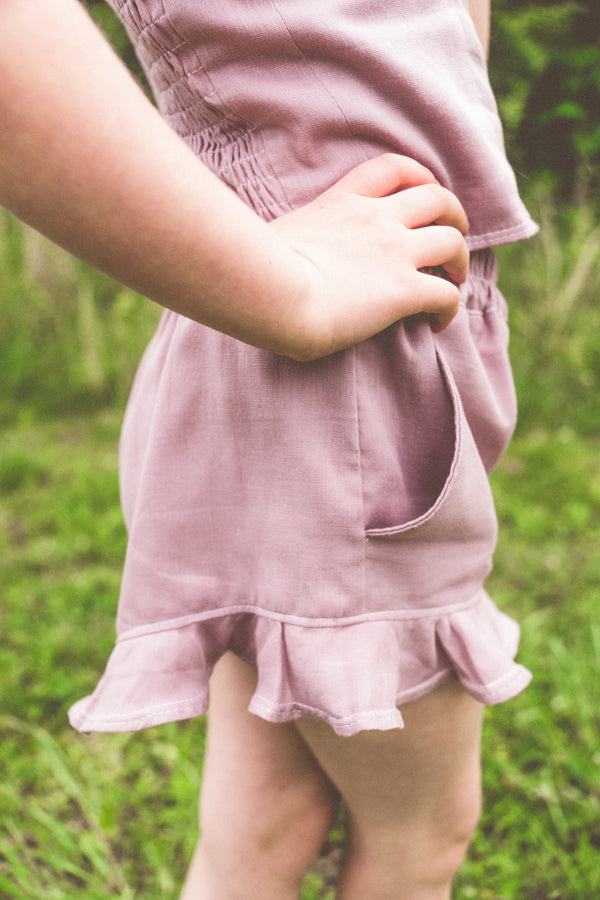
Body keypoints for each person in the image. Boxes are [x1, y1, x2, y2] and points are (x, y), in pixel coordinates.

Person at [0, 1, 537, 897]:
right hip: (342, 380)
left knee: (264, 828)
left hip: (347, 355)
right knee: (421, 842)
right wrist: (288, 290)